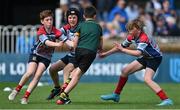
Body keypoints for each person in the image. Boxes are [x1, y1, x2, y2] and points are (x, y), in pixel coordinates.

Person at [99, 19, 173, 106]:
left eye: (131, 29)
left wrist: (123, 50)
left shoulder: (144, 38)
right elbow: (120, 47)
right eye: (129, 29)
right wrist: (106, 54)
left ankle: (167, 100)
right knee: (124, 71)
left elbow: (138, 53)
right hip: (146, 57)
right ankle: (116, 95)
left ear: (138, 29)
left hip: (154, 58)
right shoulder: (131, 36)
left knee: (147, 79)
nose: (129, 31)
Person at [8, 10, 73, 104]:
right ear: (42, 21)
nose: (49, 22)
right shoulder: (41, 31)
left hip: (46, 57)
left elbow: (66, 41)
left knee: (38, 75)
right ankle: (16, 90)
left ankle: (25, 97)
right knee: (30, 72)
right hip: (36, 54)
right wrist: (57, 44)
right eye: (47, 20)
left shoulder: (56, 31)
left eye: (51, 19)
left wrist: (74, 44)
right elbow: (47, 42)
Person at [56, 5, 103, 105]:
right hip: (90, 52)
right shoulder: (98, 27)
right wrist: (99, 48)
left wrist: (73, 47)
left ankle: (66, 84)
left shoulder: (80, 25)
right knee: (77, 75)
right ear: (95, 16)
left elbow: (75, 41)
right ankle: (64, 95)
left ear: (84, 16)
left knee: (75, 70)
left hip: (79, 50)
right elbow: (100, 44)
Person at [46, 8, 81, 100]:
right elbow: (56, 34)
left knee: (66, 70)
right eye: (70, 17)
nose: (72, 20)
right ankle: (57, 88)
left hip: (78, 57)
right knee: (52, 69)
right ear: (67, 18)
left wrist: (70, 43)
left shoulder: (81, 28)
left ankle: (65, 95)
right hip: (70, 55)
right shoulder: (66, 28)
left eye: (74, 17)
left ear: (78, 18)